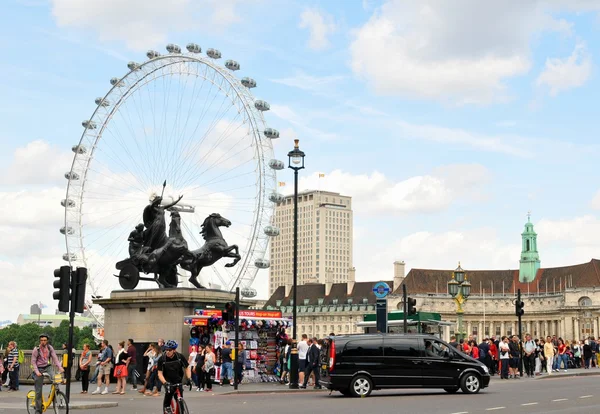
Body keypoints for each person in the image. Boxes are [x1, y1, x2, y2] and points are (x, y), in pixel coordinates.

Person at [32, 334, 64, 414]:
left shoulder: (50, 348)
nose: (43, 342)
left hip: (47, 367)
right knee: (38, 391)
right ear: (40, 341)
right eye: (41, 340)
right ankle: (38, 411)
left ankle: (56, 395)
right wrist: (37, 372)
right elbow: (33, 362)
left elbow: (55, 358)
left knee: (55, 380)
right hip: (39, 368)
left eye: (45, 340)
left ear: (47, 341)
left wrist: (59, 367)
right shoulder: (36, 349)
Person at [157, 340, 191, 414]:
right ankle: (167, 407)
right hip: (167, 380)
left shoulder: (180, 357)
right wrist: (165, 382)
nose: (167, 352)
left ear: (174, 350)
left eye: (170, 350)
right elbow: (159, 373)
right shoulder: (162, 359)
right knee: (169, 392)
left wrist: (189, 378)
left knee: (179, 397)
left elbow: (187, 368)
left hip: (178, 380)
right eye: (166, 349)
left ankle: (180, 409)